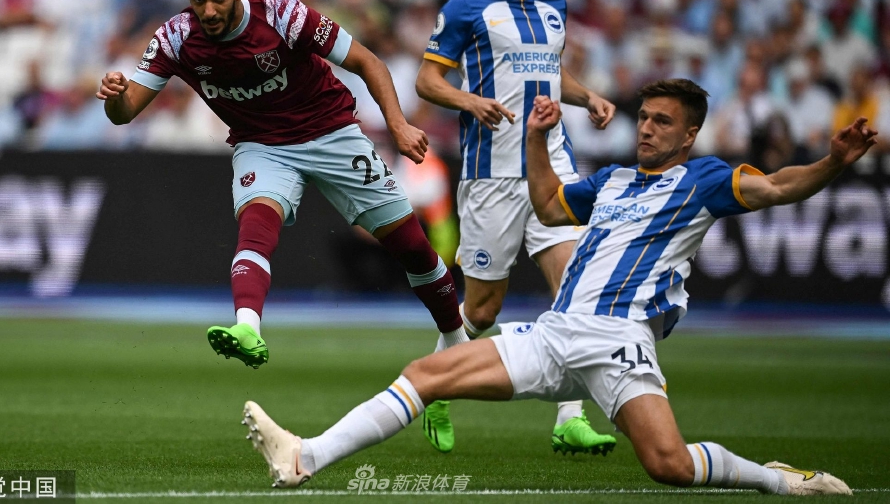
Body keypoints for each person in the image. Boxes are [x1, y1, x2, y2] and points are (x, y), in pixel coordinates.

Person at [243, 79, 865, 496]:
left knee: (669, 465)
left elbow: (778, 186)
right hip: (556, 332)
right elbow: (549, 204)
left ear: (689, 136)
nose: (648, 129)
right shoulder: (615, 180)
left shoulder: (703, 180)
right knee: (425, 374)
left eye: (663, 122)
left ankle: (780, 481)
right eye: (645, 118)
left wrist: (833, 162)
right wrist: (537, 138)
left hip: (618, 340)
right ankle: (303, 457)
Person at [96, 0, 468, 371]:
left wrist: (399, 124)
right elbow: (125, 112)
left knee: (412, 247)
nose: (208, 10)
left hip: (332, 131)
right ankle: (247, 329)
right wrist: (116, 96)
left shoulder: (280, 13)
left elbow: (367, 61)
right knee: (256, 225)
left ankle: (456, 340)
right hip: (262, 143)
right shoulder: (175, 37)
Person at [414, 0, 617, 455]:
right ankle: (434, 386)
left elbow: (548, 69)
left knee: (577, 289)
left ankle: (569, 418)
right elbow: (427, 81)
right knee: (482, 310)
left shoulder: (554, 4)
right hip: (491, 176)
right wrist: (470, 101)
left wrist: (588, 96)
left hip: (551, 168)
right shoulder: (466, 6)